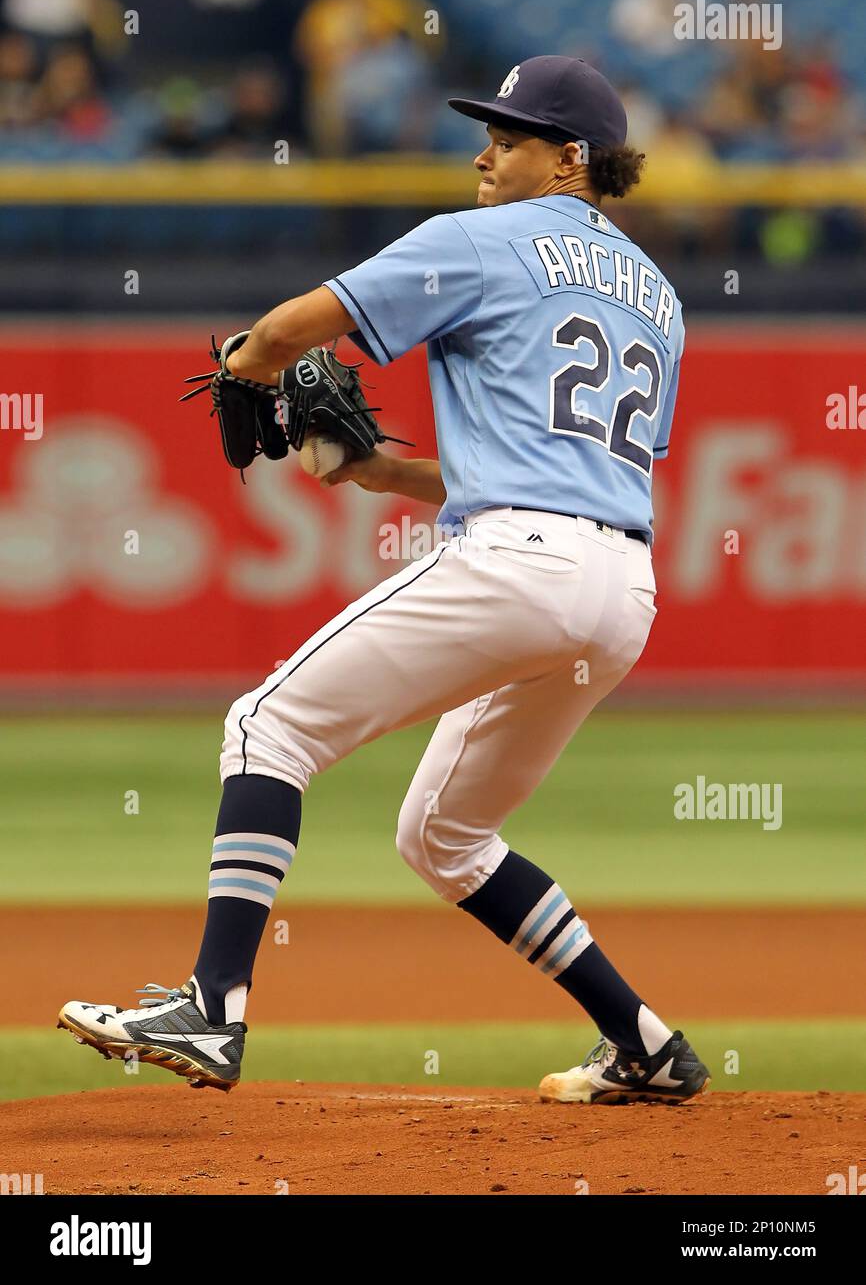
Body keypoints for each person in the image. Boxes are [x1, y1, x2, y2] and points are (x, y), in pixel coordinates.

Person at [59, 55, 709, 1107]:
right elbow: (560, 462)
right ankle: (641, 1042)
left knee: (266, 726)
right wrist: (375, 471)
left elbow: (288, 329)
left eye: (507, 138)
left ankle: (211, 1004)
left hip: (519, 563)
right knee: (442, 835)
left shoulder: (485, 234)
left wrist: (243, 364)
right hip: (620, 587)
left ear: (570, 158)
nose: (483, 154)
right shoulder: (660, 297)